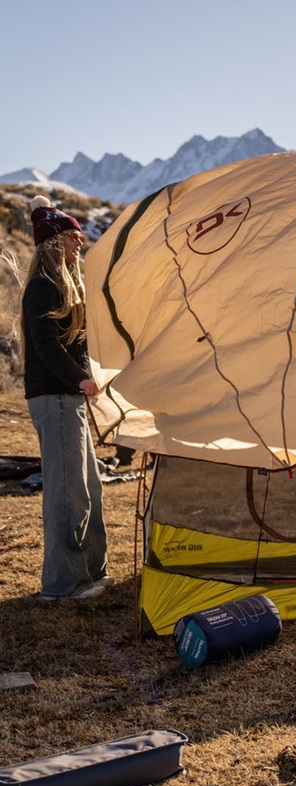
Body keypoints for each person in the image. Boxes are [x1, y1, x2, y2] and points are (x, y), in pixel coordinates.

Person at [21, 195, 110, 600]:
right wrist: (80, 380)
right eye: (73, 237)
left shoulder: (66, 285)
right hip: (55, 398)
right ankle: (63, 584)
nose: (80, 244)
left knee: (89, 484)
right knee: (66, 491)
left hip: (67, 398)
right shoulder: (43, 287)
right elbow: (45, 344)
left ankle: (90, 571)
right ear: (56, 241)